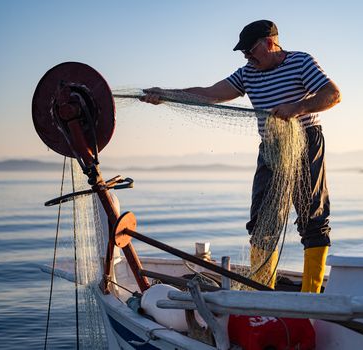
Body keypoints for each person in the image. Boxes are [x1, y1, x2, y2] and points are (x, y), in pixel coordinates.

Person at [142, 19, 341, 293]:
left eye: (250, 50)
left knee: (313, 219)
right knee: (262, 222)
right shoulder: (248, 73)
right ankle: (261, 293)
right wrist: (166, 95)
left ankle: (311, 297)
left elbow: (333, 95)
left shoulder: (302, 62)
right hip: (271, 148)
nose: (247, 56)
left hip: (306, 142)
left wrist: (296, 107)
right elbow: (210, 94)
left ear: (270, 43)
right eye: (243, 53)